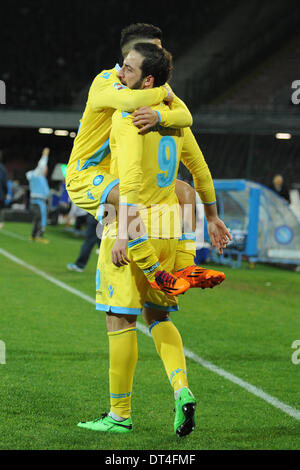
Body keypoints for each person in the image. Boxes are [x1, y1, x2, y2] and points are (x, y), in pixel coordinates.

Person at [77, 43, 231, 437]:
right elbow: (199, 170)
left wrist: (121, 233)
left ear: (147, 79)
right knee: (158, 316)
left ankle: (119, 415)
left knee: (119, 318)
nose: (119, 75)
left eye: (127, 70)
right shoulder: (174, 118)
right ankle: (182, 389)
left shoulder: (129, 118)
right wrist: (211, 217)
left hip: (133, 221)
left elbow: (127, 181)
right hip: (169, 224)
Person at [66, 22, 225, 293]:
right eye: (154, 50)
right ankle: (154, 271)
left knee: (184, 192)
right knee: (126, 196)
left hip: (120, 175)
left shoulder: (152, 96)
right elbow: (129, 103)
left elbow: (186, 117)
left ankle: (186, 263)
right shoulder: (106, 81)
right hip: (86, 173)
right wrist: (164, 93)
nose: (161, 57)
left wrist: (161, 114)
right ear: (132, 52)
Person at [26, 148, 50, 243]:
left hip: (41, 202)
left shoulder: (43, 179)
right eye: (45, 169)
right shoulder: (36, 175)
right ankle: (39, 236)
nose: (46, 171)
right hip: (37, 201)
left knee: (38, 218)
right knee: (40, 218)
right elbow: (41, 165)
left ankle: (33, 236)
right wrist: (45, 156)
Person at [0, 151, 8, 229]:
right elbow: (4, 183)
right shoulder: (3, 169)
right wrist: (6, 193)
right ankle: (0, 222)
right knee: (1, 209)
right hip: (1, 194)